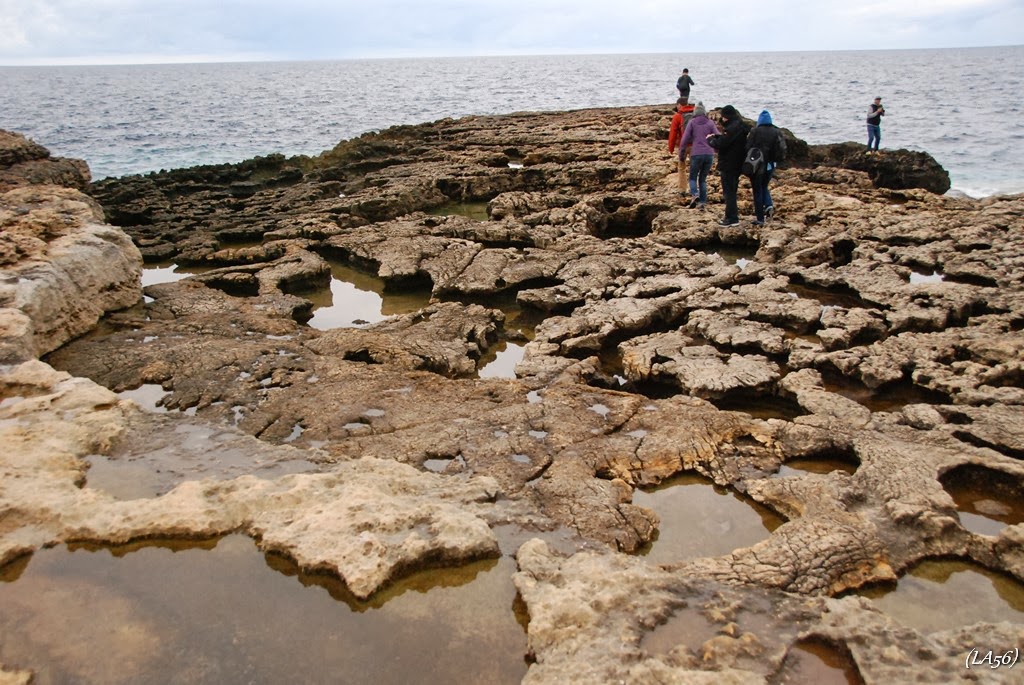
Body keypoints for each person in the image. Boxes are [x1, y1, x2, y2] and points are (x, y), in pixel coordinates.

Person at [707, 104, 750, 227]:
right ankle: (732, 216)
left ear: (727, 117)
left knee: (729, 192)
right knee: (732, 190)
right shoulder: (741, 127)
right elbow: (729, 140)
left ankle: (731, 218)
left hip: (729, 164)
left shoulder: (732, 128)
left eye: (723, 117)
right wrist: (718, 136)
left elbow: (722, 144)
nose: (722, 119)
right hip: (738, 163)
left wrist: (710, 140)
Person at [745, 110, 787, 225]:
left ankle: (760, 218)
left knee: (757, 190)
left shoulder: (755, 131)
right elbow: (781, 149)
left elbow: (748, 146)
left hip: (757, 165)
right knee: (764, 186)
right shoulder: (776, 132)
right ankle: (768, 206)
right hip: (771, 165)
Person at [678, 102, 719, 210]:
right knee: (703, 179)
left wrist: (681, 153)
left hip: (696, 153)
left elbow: (685, 139)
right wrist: (717, 150)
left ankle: (695, 194)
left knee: (692, 177)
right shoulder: (710, 123)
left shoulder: (692, 123)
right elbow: (718, 136)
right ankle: (702, 202)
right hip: (709, 154)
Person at [667, 98, 696, 195]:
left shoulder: (678, 116)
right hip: (695, 146)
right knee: (694, 167)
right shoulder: (696, 114)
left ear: (679, 105)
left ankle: (682, 189)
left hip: (683, 146)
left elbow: (673, 133)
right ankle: (694, 189)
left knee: (681, 168)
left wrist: (671, 147)